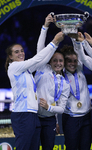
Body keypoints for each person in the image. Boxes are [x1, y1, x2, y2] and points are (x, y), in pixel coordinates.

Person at [5, 29, 64, 149]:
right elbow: (36, 59)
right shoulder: (14, 67)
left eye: (22, 51)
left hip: (32, 114)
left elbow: (42, 60)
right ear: (10, 57)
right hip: (22, 114)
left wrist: (55, 45)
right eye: (16, 52)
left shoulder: (26, 70)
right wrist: (53, 41)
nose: (21, 53)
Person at [34, 14, 70, 150]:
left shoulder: (65, 84)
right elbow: (40, 48)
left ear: (64, 63)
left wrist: (49, 109)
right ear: (49, 61)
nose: (58, 63)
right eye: (55, 60)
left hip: (49, 120)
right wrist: (45, 26)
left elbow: (61, 108)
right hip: (35, 117)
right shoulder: (42, 67)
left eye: (61, 61)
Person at [60, 44, 92, 150]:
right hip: (70, 118)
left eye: (75, 61)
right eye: (69, 61)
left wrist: (75, 38)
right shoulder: (60, 78)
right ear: (64, 62)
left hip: (87, 117)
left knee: (85, 147)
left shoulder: (80, 70)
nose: (73, 64)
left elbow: (79, 51)